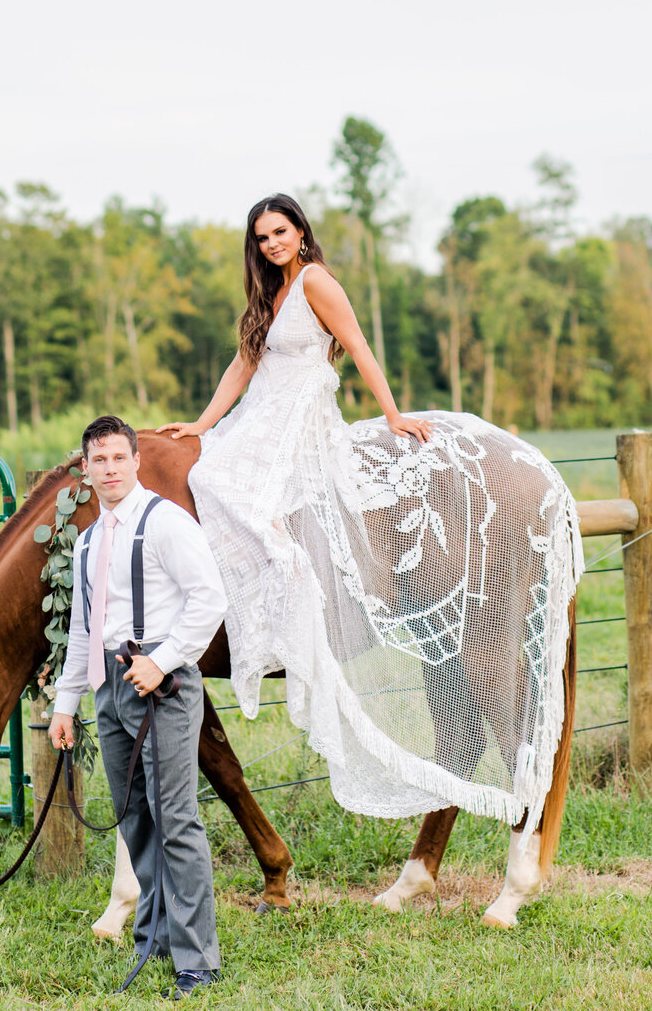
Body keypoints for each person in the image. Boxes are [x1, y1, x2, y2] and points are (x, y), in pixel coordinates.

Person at [159, 195, 582, 829]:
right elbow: (243, 365)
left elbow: (358, 346)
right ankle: (256, 608)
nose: (271, 243)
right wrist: (202, 422)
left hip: (300, 421)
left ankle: (291, 590)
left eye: (280, 231)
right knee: (209, 470)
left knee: (243, 497)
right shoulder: (268, 295)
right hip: (263, 417)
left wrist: (391, 415)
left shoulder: (316, 283)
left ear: (301, 232)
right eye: (261, 237)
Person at [48, 414, 227, 1000]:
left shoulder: (166, 523)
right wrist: (64, 704)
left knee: (175, 818)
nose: (110, 469)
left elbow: (209, 600)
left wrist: (165, 658)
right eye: (98, 460)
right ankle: (153, 935)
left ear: (136, 461)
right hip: (110, 684)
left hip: (162, 683)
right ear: (87, 468)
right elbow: (82, 628)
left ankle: (197, 961)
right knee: (134, 820)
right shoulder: (87, 541)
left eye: (119, 457)